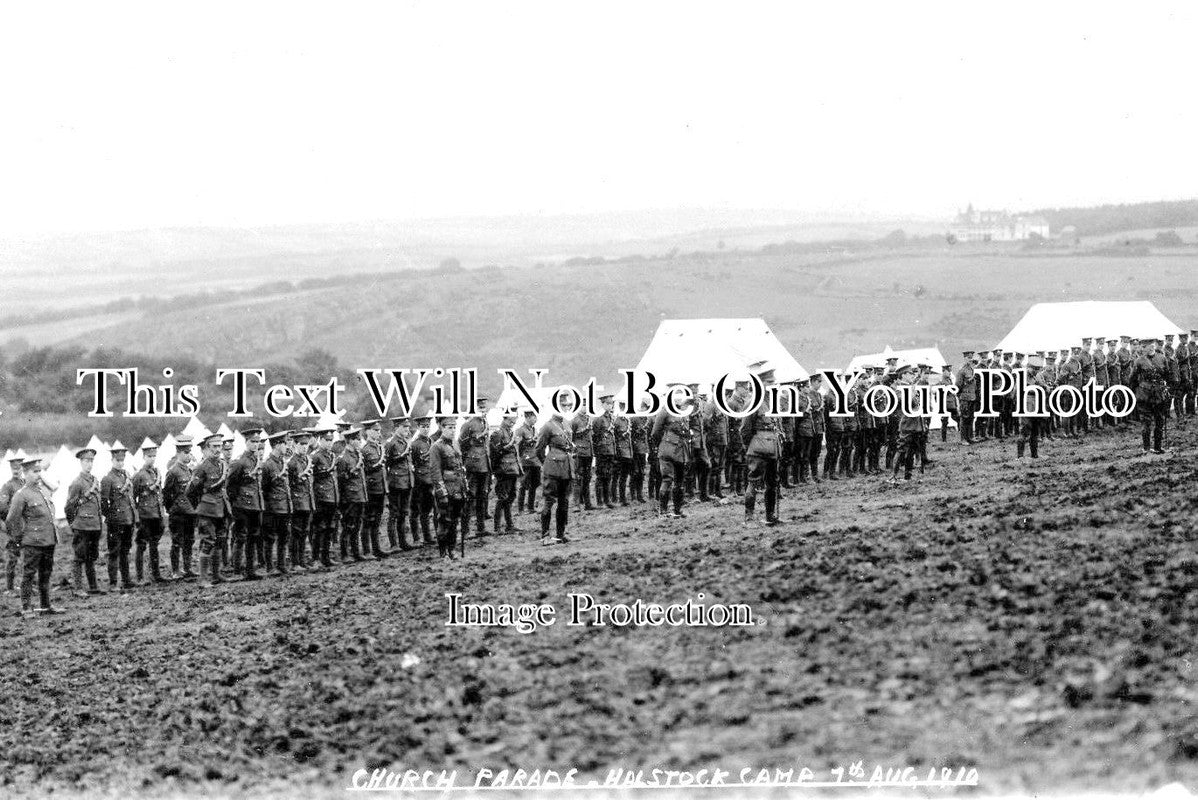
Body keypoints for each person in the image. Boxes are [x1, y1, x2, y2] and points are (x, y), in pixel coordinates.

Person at [5, 458, 62, 616]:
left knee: (46, 574)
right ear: (25, 473)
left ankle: (45, 606)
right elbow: (11, 520)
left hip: (48, 540)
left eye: (39, 471)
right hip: (32, 542)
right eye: (34, 472)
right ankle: (26, 608)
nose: (38, 475)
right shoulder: (21, 495)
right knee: (29, 574)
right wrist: (20, 537)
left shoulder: (42, 491)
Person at [185, 433, 229, 587]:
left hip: (221, 508)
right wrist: (200, 506)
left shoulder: (223, 464)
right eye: (214, 447)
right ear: (208, 449)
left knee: (220, 540)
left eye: (219, 446)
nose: (218, 450)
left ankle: (216, 575)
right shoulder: (201, 467)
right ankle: (203, 579)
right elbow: (190, 492)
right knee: (208, 542)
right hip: (207, 510)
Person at [741, 363, 783, 526]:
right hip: (757, 449)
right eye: (769, 382)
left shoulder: (772, 400)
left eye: (773, 382)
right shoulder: (753, 401)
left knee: (773, 482)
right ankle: (749, 518)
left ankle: (770, 516)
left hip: (773, 448)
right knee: (753, 481)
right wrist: (750, 447)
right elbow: (745, 429)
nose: (773, 385)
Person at [535, 393, 575, 544]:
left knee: (564, 502)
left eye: (567, 406)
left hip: (566, 468)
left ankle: (560, 534)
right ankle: (545, 536)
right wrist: (547, 464)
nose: (565, 408)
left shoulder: (566, 424)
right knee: (549, 501)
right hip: (552, 469)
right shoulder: (547, 426)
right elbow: (539, 449)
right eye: (562, 405)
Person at [65, 447, 105, 597]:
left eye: (91, 461)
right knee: (79, 557)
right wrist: (73, 524)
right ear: (81, 462)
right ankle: (77, 588)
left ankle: (93, 586)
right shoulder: (77, 483)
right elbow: (69, 506)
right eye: (87, 461)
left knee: (91, 557)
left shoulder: (95, 480)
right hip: (82, 526)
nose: (89, 464)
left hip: (94, 524)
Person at [227, 428, 265, 580]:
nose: (255, 445)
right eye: (253, 442)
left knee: (253, 537)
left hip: (255, 504)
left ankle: (250, 570)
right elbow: (231, 485)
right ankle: (237, 571)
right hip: (242, 505)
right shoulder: (240, 461)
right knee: (241, 537)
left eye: (257, 442)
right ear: (246, 442)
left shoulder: (256, 460)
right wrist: (236, 502)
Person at [652, 384, 693, 519]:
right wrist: (663, 445)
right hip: (668, 451)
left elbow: (686, 431)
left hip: (681, 451)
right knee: (667, 479)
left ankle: (677, 510)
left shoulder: (684, 412)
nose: (677, 399)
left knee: (680, 482)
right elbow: (655, 433)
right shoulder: (664, 411)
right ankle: (663, 512)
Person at [100, 440, 136, 592]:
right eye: (118, 460)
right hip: (115, 521)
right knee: (114, 551)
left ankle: (126, 580)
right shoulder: (107, 479)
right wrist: (110, 517)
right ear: (112, 460)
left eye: (122, 460)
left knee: (125, 551)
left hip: (128, 519)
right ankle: (113, 582)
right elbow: (104, 502)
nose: (120, 463)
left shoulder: (126, 476)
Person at [429, 416, 467, 558]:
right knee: (445, 521)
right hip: (446, 491)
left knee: (455, 521)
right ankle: (443, 553)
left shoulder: (455, 444)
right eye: (449, 428)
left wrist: (464, 487)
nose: (452, 431)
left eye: (454, 428)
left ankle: (452, 550)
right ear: (442, 428)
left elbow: (460, 467)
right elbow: (435, 473)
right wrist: (442, 494)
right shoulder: (436, 447)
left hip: (458, 489)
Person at [132, 438, 167, 584]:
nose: (152, 459)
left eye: (154, 456)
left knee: (154, 544)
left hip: (157, 514)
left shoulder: (156, 473)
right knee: (141, 545)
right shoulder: (139, 476)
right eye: (149, 456)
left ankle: (156, 574)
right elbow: (133, 498)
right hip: (145, 515)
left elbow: (159, 494)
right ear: (143, 457)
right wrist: (136, 518)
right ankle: (140, 576)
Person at [163, 437, 197, 580]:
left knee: (189, 540)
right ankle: (176, 570)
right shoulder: (173, 472)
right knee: (177, 542)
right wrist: (172, 508)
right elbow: (166, 494)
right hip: (178, 513)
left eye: (189, 452)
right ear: (179, 453)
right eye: (186, 453)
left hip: (190, 512)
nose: (189, 455)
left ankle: (187, 568)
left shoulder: (189, 471)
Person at [458, 396, 492, 537]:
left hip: (484, 464)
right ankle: (465, 531)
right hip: (473, 465)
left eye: (484, 407)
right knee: (470, 496)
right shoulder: (469, 424)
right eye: (480, 408)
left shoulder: (485, 422)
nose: (483, 410)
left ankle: (480, 528)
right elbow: (461, 443)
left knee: (482, 496)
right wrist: (469, 458)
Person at [1130, 338, 1171, 454]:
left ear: (1153, 346)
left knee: (1159, 421)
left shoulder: (1162, 358)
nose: (1146, 348)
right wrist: (1138, 391)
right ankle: (1146, 448)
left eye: (1149, 346)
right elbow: (1132, 379)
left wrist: (1165, 388)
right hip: (1144, 396)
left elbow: (1167, 375)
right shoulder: (1139, 361)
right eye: (1144, 347)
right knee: (1146, 423)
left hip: (1158, 396)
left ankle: (1158, 447)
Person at [260, 431, 293, 575]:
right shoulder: (267, 465)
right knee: (270, 537)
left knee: (284, 536)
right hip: (272, 507)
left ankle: (281, 565)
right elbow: (264, 488)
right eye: (284, 443)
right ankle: (269, 566)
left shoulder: (282, 462)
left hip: (285, 506)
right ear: (277, 445)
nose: (287, 445)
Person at [309, 426, 340, 569]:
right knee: (319, 528)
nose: (329, 443)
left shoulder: (331, 455)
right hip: (320, 497)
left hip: (332, 496)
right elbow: (311, 476)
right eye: (326, 440)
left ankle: (326, 557)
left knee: (330, 528)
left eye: (330, 440)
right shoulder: (315, 456)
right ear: (320, 440)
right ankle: (315, 558)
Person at [359, 420, 390, 558]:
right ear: (367, 432)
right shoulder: (365, 450)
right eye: (375, 430)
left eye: (379, 430)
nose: (378, 433)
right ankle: (367, 550)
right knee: (368, 520)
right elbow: (365, 470)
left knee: (377, 520)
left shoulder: (379, 447)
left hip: (380, 488)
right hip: (371, 489)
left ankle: (376, 548)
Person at [336, 426, 368, 561]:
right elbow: (341, 479)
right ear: (349, 441)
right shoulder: (343, 458)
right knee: (348, 526)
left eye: (359, 439)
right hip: (349, 498)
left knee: (357, 525)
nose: (359, 442)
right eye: (356, 439)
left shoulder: (357, 455)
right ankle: (345, 554)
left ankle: (356, 552)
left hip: (359, 495)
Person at [383, 417, 415, 550]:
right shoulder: (391, 443)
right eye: (404, 427)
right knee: (394, 514)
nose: (407, 430)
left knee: (403, 513)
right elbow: (386, 463)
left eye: (408, 427)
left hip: (407, 481)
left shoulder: (406, 442)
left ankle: (403, 542)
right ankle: (394, 544)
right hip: (395, 483)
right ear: (397, 428)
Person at [488, 411, 522, 533]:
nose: (513, 422)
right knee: (502, 498)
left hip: (512, 469)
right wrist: (510, 445)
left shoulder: (509, 431)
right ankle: (497, 527)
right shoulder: (498, 433)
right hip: (503, 470)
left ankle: (509, 525)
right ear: (505, 418)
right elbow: (495, 453)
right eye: (511, 420)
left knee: (511, 496)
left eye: (514, 420)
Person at [0, 449, 27, 596]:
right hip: (14, 528)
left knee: (26, 557)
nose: (16, 470)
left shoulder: (25, 484)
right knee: (12, 557)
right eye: (13, 468)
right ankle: (10, 588)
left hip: (27, 527)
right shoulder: (8, 486)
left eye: (19, 467)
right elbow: (2, 507)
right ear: (11, 469)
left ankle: (24, 585)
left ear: (22, 468)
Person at [287, 430, 315, 568]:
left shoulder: (306, 460)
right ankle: (295, 562)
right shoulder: (292, 463)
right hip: (297, 501)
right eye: (301, 444)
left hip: (307, 500)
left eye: (306, 444)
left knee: (304, 532)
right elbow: (290, 485)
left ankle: (302, 560)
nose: (304, 447)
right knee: (296, 532)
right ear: (295, 445)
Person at [409, 414, 437, 546]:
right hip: (420, 482)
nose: (426, 429)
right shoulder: (414, 445)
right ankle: (420, 538)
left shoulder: (431, 442)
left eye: (427, 426)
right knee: (419, 511)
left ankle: (430, 536)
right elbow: (412, 464)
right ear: (418, 427)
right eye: (423, 427)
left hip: (431, 479)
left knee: (430, 509)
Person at [591, 393, 617, 508]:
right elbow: (595, 437)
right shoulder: (598, 419)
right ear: (602, 404)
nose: (610, 406)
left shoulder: (611, 418)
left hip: (610, 451)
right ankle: (600, 501)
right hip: (602, 452)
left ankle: (607, 500)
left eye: (611, 404)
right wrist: (597, 452)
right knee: (601, 477)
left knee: (608, 476)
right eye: (608, 404)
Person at [513, 409, 542, 514]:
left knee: (534, 484)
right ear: (528, 417)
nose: (536, 420)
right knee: (523, 485)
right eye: (534, 417)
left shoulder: (534, 429)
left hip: (535, 460)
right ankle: (520, 509)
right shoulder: (520, 430)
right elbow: (517, 446)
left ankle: (530, 507)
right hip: (526, 461)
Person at [569, 401, 595, 510]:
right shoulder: (574, 421)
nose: (586, 407)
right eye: (584, 405)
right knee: (577, 478)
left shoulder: (589, 419)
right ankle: (576, 505)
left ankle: (588, 504)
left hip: (589, 453)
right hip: (579, 453)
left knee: (587, 478)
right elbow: (570, 438)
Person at [613, 402, 634, 505]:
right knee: (618, 476)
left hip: (628, 452)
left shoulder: (627, 420)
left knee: (624, 476)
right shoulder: (616, 421)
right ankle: (617, 498)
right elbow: (615, 438)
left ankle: (622, 497)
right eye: (624, 407)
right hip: (620, 453)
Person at [955, 351, 978, 443]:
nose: (970, 359)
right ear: (965, 358)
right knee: (964, 418)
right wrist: (960, 395)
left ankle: (970, 437)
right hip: (965, 397)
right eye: (968, 358)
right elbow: (957, 385)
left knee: (971, 417)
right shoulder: (962, 371)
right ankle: (963, 439)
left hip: (972, 397)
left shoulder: (971, 369)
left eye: (971, 357)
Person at [629, 404, 650, 503]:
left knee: (641, 473)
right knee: (635, 472)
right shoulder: (634, 418)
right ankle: (633, 496)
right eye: (646, 408)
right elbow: (630, 434)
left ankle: (639, 495)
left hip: (643, 450)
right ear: (642, 408)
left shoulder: (647, 418)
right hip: (635, 450)